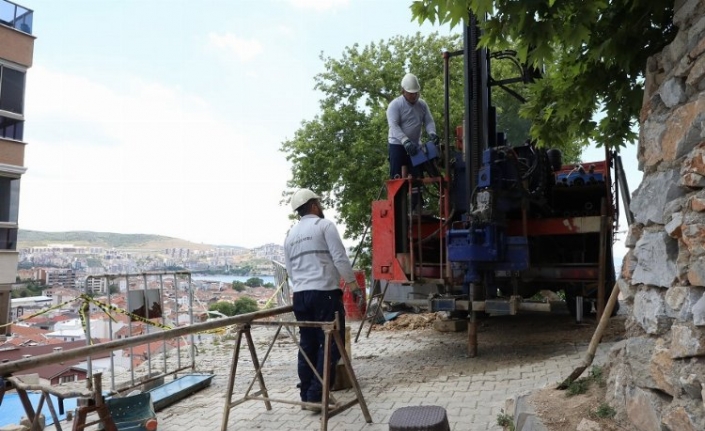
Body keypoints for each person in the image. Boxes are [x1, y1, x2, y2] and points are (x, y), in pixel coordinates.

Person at [284, 188, 362, 411]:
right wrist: (353, 285)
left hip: (300, 296)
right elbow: (339, 257)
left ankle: (307, 396)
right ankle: (318, 396)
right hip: (325, 294)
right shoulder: (324, 226)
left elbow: (290, 270)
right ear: (314, 205)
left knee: (307, 345)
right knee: (331, 346)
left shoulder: (290, 235)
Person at [386, 72, 439, 211]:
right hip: (397, 145)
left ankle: (417, 206)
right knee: (397, 177)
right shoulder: (395, 106)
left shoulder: (422, 105)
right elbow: (394, 126)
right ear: (403, 91)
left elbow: (428, 121)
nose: (414, 96)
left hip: (415, 145)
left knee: (416, 175)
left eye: (416, 93)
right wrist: (405, 141)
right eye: (411, 93)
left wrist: (432, 133)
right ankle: (396, 207)